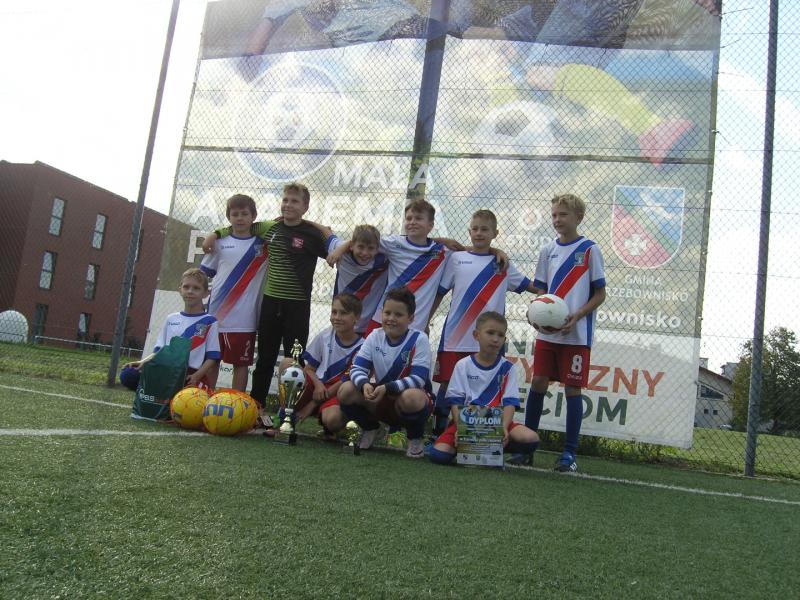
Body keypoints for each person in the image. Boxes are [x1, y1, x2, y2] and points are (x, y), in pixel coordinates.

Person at [201, 182, 328, 410]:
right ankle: (256, 405)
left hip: (298, 305)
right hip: (271, 303)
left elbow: (331, 244)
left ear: (305, 207)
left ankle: (288, 410)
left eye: (295, 201)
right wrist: (214, 234)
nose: (288, 205)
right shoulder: (268, 228)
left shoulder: (312, 235)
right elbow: (238, 227)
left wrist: (319, 229)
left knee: (294, 360)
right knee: (265, 357)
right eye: (285, 200)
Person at [429, 209, 537, 436]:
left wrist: (550, 297)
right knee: (448, 384)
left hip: (488, 341)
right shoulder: (456, 259)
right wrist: (427, 319)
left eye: (485, 229)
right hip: (455, 337)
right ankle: (438, 434)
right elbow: (440, 292)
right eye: (475, 229)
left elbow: (530, 286)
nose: (479, 233)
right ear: (469, 231)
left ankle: (481, 437)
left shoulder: (502, 264)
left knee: (490, 387)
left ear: (495, 233)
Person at [524, 193, 606, 472]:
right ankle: (526, 448)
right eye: (554, 215)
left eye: (563, 214)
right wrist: (534, 313)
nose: (557, 220)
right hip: (547, 334)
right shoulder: (547, 250)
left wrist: (578, 315)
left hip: (576, 334)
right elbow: (541, 290)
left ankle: (569, 454)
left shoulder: (590, 250)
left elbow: (600, 293)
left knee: (572, 387)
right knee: (538, 382)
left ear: (578, 218)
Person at [328, 199, 475, 335]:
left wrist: (494, 250)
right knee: (369, 354)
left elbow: (471, 251)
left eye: (418, 218)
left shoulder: (442, 251)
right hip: (382, 317)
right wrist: (339, 250)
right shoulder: (394, 243)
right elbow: (363, 240)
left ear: (430, 225)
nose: (412, 222)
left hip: (414, 323)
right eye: (409, 218)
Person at [428, 311, 539, 466]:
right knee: (439, 455)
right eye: (490, 333)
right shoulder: (463, 365)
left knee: (531, 439)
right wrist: (461, 430)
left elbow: (509, 403)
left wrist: (503, 429)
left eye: (500, 335)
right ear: (476, 335)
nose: (495, 339)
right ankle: (468, 448)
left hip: (497, 423)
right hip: (467, 422)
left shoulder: (508, 368)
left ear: (504, 339)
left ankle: (495, 448)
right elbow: (456, 402)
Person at [337, 287, 432, 459]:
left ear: (411, 318)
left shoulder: (419, 339)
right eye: (387, 313)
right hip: (381, 399)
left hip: (406, 402)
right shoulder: (375, 336)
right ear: (381, 314)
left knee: (412, 397)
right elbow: (357, 369)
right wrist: (364, 384)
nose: (391, 319)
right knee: (346, 390)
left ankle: (415, 438)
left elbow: (419, 379)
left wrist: (387, 388)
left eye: (398, 315)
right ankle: (370, 428)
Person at [199, 194, 268, 392]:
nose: (240, 218)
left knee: (241, 363)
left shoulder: (265, 246)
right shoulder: (219, 243)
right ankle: (207, 396)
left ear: (253, 216)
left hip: (245, 318)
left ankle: (237, 401)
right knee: (212, 359)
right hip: (216, 315)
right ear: (228, 217)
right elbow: (204, 274)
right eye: (235, 214)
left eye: (244, 214)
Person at [272, 293, 364, 439]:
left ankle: (331, 428)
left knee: (333, 420)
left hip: (335, 394)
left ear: (357, 317)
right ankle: (284, 418)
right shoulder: (325, 335)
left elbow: (345, 381)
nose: (337, 317)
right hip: (317, 388)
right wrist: (318, 384)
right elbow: (309, 369)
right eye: (334, 312)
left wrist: (312, 404)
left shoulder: (363, 347)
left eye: (344, 313)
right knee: (287, 364)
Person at [123, 268, 221, 389]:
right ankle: (154, 394)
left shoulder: (210, 321)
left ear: (206, 293)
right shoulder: (171, 319)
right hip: (166, 371)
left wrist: (196, 376)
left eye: (196, 288)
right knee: (128, 374)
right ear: (180, 290)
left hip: (189, 375)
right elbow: (159, 351)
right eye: (186, 287)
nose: (190, 291)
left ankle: (162, 393)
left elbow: (212, 357)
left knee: (185, 396)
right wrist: (142, 362)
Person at [325, 224, 389, 336]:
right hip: (342, 322)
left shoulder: (385, 259)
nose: (365, 253)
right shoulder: (341, 252)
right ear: (352, 246)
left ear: (377, 249)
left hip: (369, 326)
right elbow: (326, 232)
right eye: (360, 247)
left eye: (370, 248)